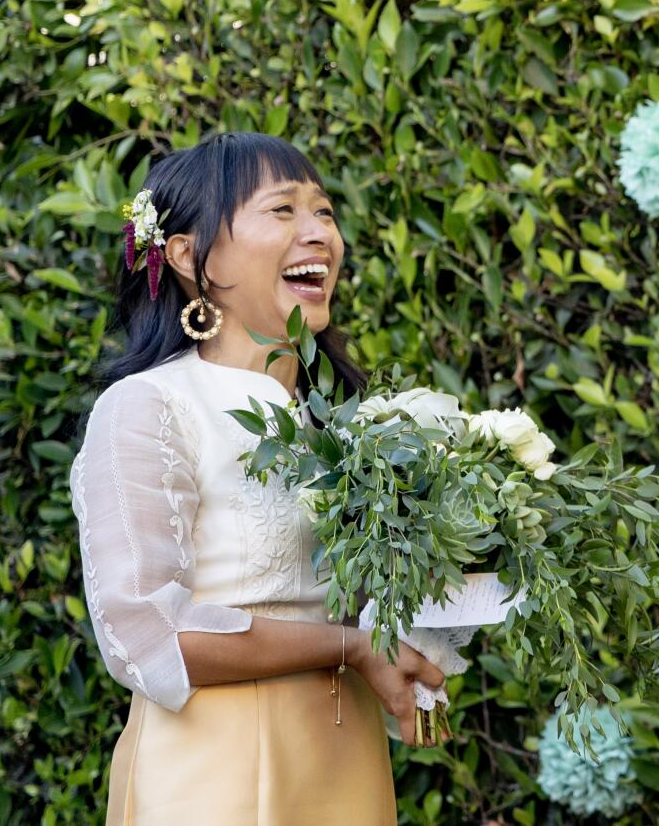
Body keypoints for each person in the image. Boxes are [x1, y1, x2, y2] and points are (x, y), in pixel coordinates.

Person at [71, 132, 445, 824]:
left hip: (344, 760)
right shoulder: (150, 406)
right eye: (283, 210)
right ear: (187, 254)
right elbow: (146, 632)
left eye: (325, 212)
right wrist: (349, 647)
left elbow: (374, 606)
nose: (319, 234)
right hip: (212, 771)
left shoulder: (344, 426)